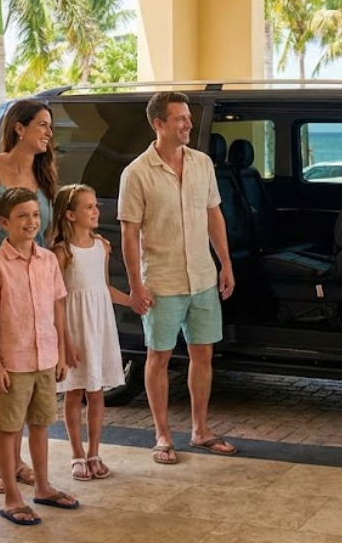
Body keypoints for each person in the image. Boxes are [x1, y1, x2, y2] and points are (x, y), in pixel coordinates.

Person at [118, 91, 238, 465]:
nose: (188, 124)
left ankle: (200, 430)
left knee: (203, 354)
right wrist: (136, 286)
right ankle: (162, 435)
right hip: (163, 281)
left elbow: (214, 216)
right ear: (159, 124)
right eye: (180, 119)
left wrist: (226, 264)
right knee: (159, 357)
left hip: (202, 276)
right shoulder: (136, 172)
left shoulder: (202, 163)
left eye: (188, 117)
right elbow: (129, 234)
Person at [0, 99, 58, 494]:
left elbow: (48, 236)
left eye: (50, 127)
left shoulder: (45, 176)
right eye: (42, 125)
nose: (48, 133)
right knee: (1, 380)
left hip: (34, 291)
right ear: (19, 128)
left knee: (26, 380)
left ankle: (14, 460)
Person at [0, 187, 77, 526]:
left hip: (45, 359)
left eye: (35, 215)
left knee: (41, 424)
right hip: (13, 363)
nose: (31, 221)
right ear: (4, 222)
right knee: (9, 429)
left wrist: (62, 352)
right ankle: (12, 497)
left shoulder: (48, 261)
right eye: (22, 216)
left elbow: (57, 308)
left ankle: (44, 487)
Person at [50, 184, 129, 480]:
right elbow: (57, 300)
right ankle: (76, 454)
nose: (97, 211)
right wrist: (65, 342)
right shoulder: (61, 253)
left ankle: (95, 452)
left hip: (99, 327)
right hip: (75, 328)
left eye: (96, 205)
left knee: (96, 392)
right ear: (70, 214)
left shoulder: (102, 247)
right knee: (74, 392)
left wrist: (132, 299)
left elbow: (103, 288)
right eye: (89, 207)